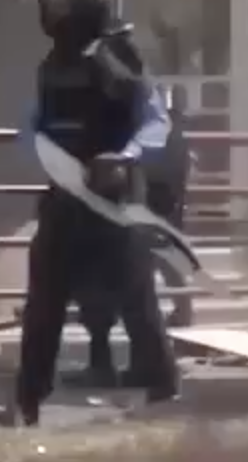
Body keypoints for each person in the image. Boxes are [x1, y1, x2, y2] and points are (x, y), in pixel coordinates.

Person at [0, 0, 179, 428]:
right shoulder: (52, 63)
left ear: (70, 3)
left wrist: (124, 157)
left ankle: (162, 390)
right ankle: (27, 401)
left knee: (136, 296)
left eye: (50, 2)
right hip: (66, 194)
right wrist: (37, 146)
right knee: (44, 298)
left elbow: (155, 118)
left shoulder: (117, 52)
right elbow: (36, 122)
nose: (45, 12)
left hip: (116, 198)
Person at [73, 77, 191, 387]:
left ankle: (137, 366)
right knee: (127, 294)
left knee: (123, 293)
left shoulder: (148, 132)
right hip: (130, 213)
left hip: (130, 215)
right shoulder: (155, 130)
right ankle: (137, 365)